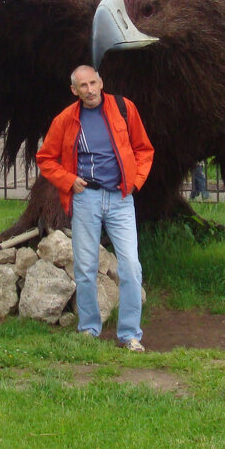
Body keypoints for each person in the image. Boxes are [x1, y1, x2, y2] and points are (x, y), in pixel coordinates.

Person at [36, 65, 154, 351]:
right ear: (74, 90)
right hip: (86, 198)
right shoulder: (66, 119)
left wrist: (135, 183)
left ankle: (130, 334)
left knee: (130, 266)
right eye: (82, 86)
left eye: (93, 83)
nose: (89, 90)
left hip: (120, 199)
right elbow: (46, 158)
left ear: (101, 82)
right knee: (86, 267)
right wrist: (68, 180)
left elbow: (143, 149)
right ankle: (89, 328)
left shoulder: (124, 109)